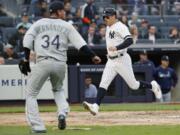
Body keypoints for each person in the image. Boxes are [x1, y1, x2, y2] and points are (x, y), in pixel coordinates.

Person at [19, 1, 101, 133]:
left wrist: (26, 59)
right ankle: (62, 113)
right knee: (58, 90)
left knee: (31, 94)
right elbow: (81, 44)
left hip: (43, 62)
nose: (64, 12)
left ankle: (37, 126)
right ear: (56, 11)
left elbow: (27, 41)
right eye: (62, 11)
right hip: (60, 64)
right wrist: (93, 55)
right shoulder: (67, 26)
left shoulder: (39, 23)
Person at [83, 8, 162, 116]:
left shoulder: (121, 27)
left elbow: (129, 40)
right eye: (104, 17)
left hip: (122, 59)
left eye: (107, 16)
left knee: (133, 85)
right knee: (103, 83)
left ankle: (152, 86)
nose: (105, 18)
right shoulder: (108, 27)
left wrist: (117, 47)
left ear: (114, 16)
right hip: (111, 60)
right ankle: (96, 106)